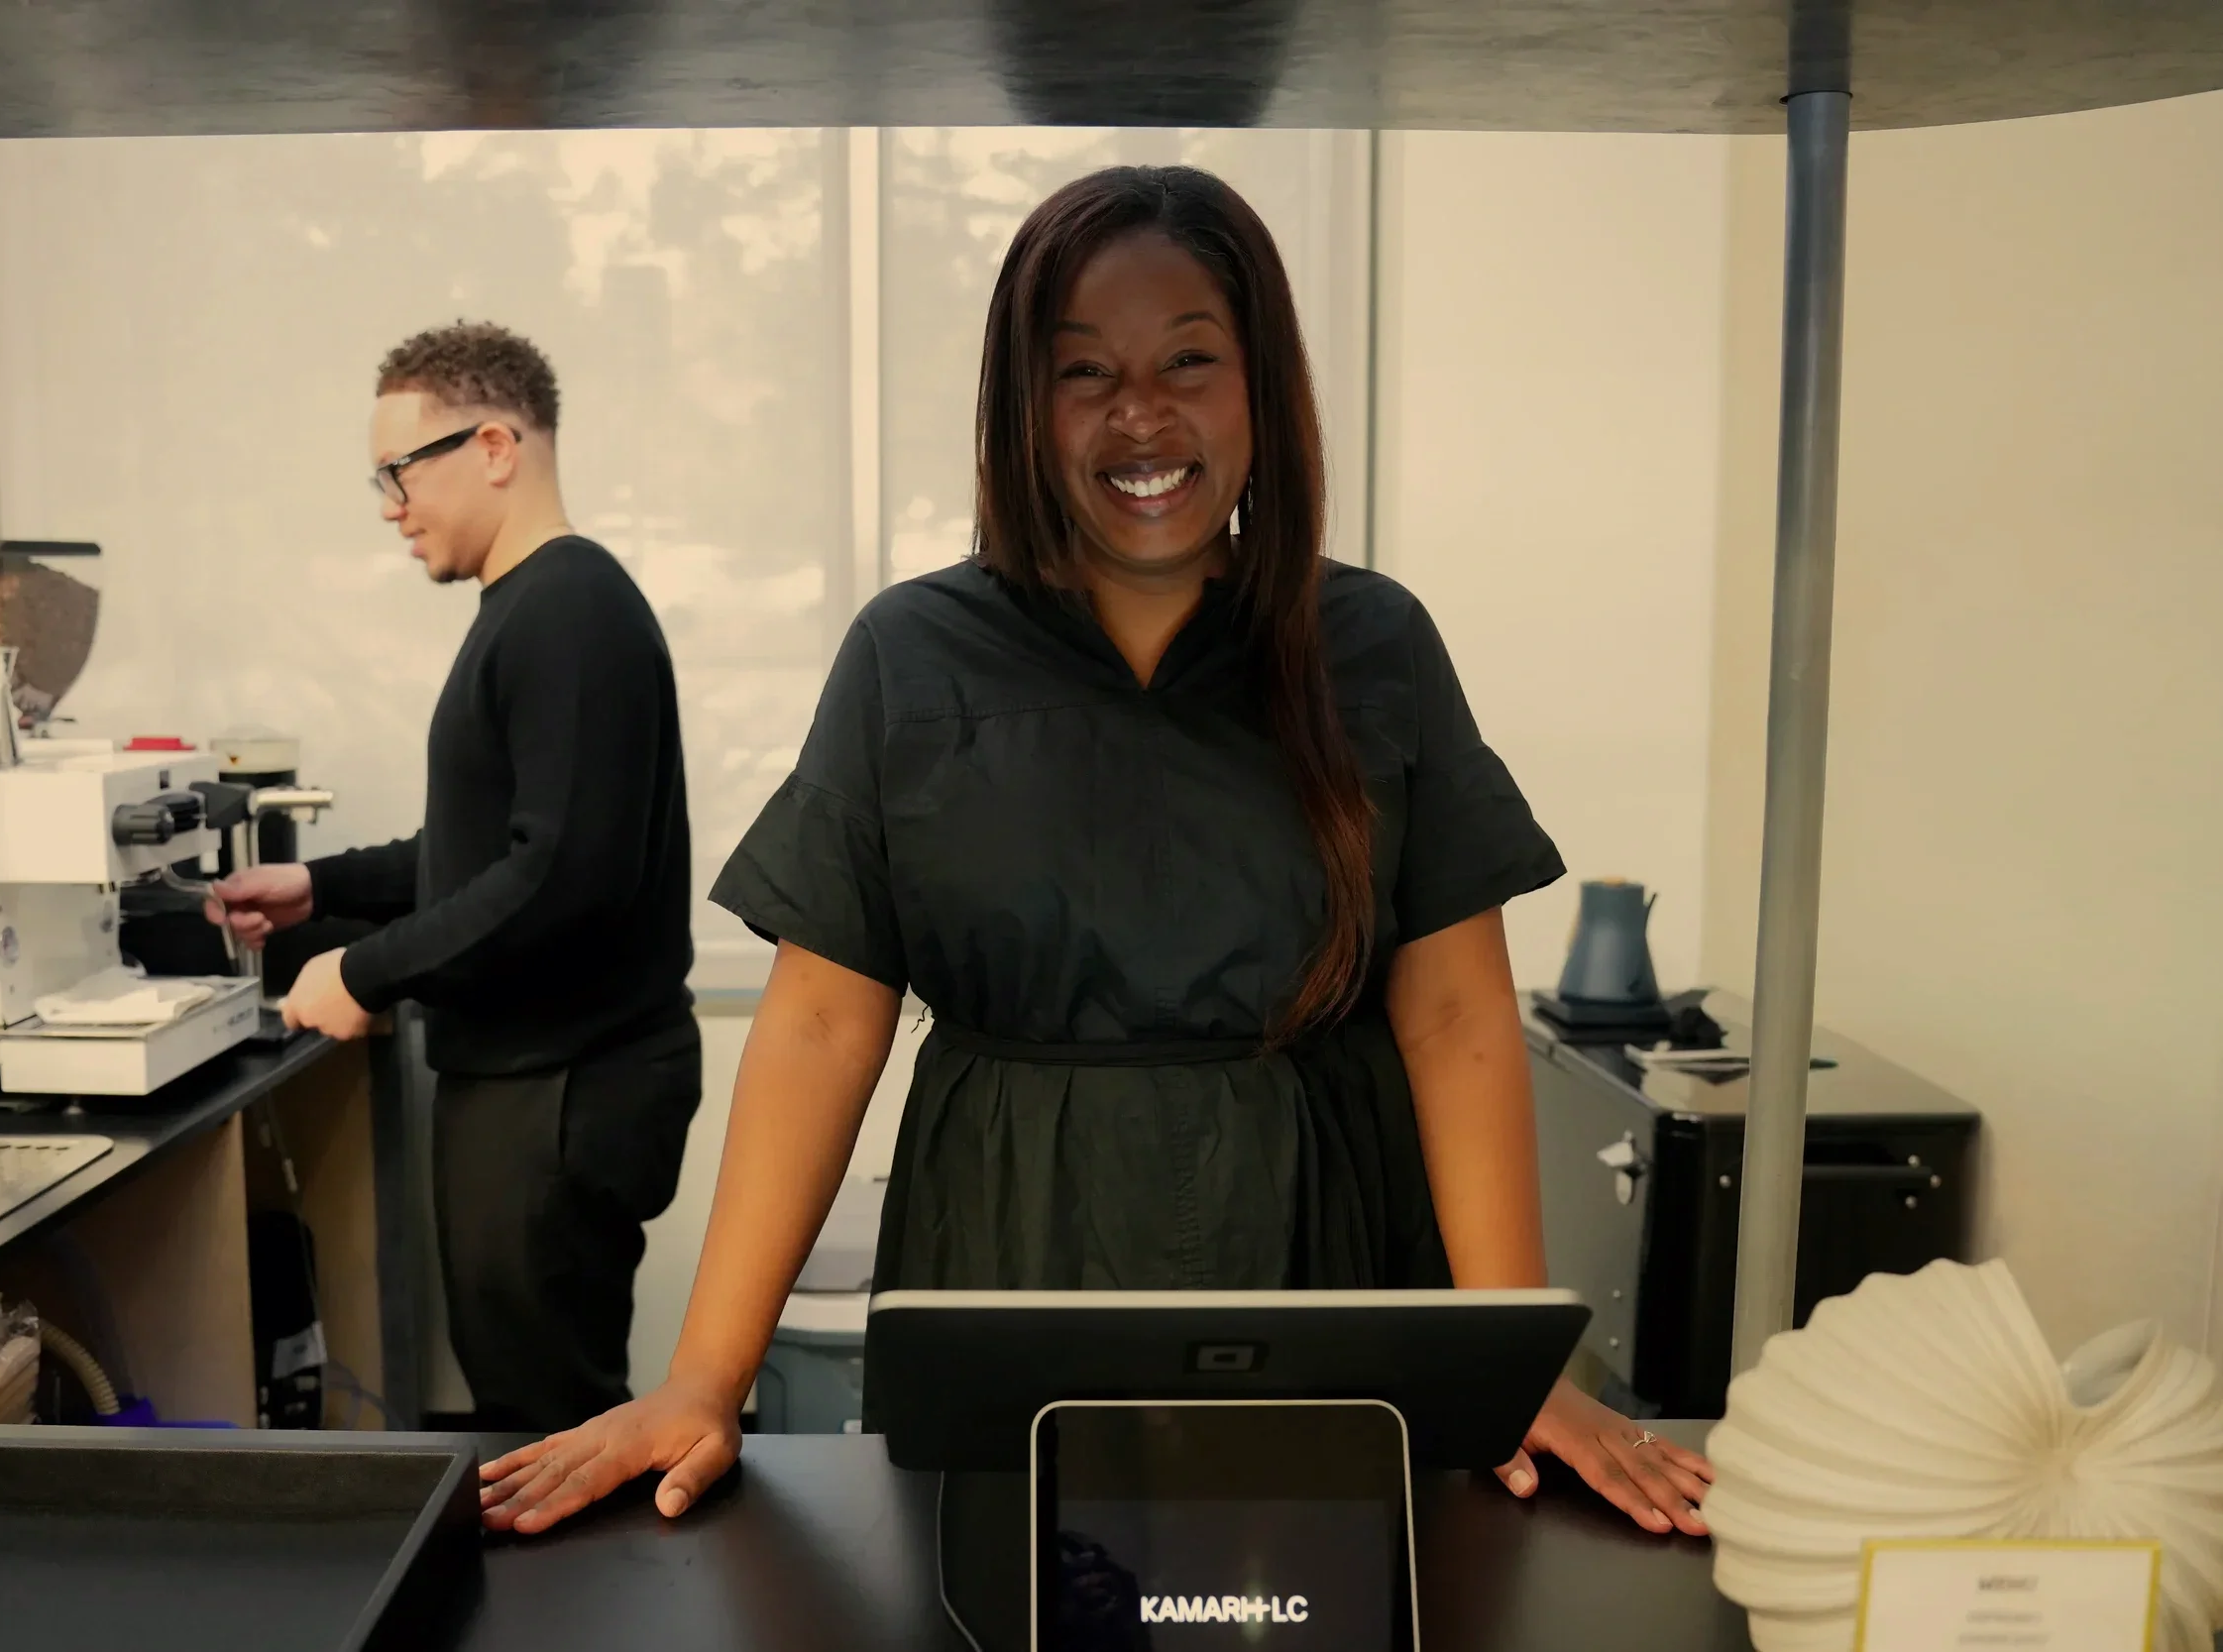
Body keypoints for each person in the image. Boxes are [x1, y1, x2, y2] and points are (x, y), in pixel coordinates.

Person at [480, 169, 1712, 1532]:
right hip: (1013, 1250)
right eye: (1085, 373)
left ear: (1262, 388)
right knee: (1009, 1591)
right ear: (1024, 405)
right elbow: (825, 1020)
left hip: (1324, 1251)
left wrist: (1513, 1361)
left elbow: (1461, 1013)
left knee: (1315, 1595)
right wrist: (703, 1378)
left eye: (1190, 358)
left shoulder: (1374, 646)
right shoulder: (913, 655)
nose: (1143, 414)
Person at [207, 321, 701, 1432]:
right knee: (530, 1399)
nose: (389, 503)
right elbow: (483, 848)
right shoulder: (531, 606)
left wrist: (365, 971)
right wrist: (317, 884)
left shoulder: (568, 608)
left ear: (492, 446)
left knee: (548, 1418)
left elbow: (563, 876)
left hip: (561, 1083)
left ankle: (584, 1609)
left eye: (399, 471)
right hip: (535, 1075)